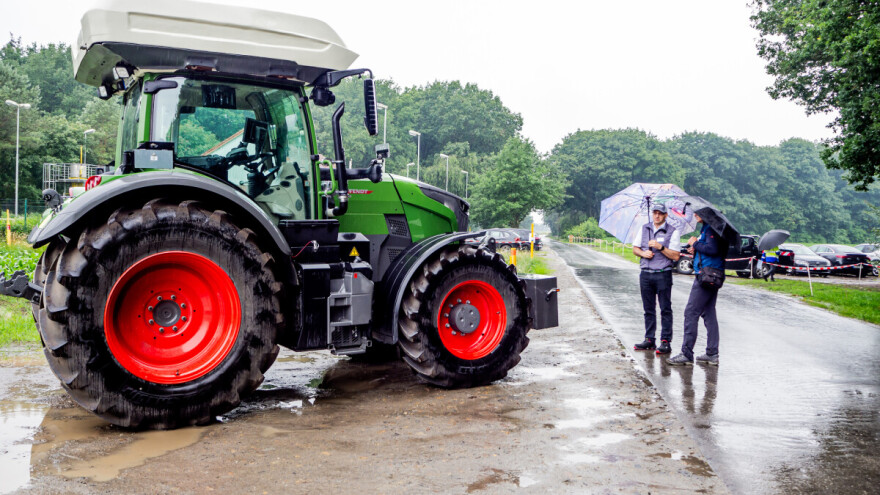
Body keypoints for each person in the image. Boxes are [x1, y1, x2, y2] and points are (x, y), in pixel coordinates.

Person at [667, 212, 729, 366]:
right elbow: (709, 250)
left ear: (706, 214)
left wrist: (695, 244)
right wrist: (696, 250)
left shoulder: (710, 229)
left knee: (691, 312)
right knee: (708, 313)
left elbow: (713, 249)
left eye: (698, 212)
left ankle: (687, 354)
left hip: (706, 277)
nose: (695, 215)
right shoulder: (709, 228)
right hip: (713, 275)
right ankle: (712, 353)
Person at [631, 204, 681, 355]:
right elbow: (635, 248)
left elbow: (675, 256)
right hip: (646, 273)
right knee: (648, 309)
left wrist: (660, 247)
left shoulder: (673, 231)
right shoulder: (645, 228)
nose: (657, 216)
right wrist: (643, 254)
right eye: (655, 213)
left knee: (665, 308)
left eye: (660, 213)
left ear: (666, 215)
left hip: (663, 273)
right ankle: (649, 339)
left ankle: (665, 341)